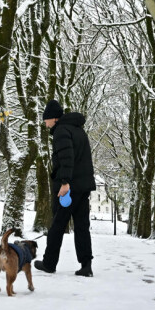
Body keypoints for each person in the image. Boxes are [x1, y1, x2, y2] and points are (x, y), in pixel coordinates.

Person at [34, 99, 96, 277]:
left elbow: (66, 158)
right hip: (83, 187)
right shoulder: (78, 130)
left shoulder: (61, 131)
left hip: (69, 187)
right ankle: (86, 265)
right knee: (82, 226)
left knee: (57, 225)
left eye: (46, 120)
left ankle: (49, 263)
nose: (45, 124)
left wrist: (64, 182)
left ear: (53, 118)